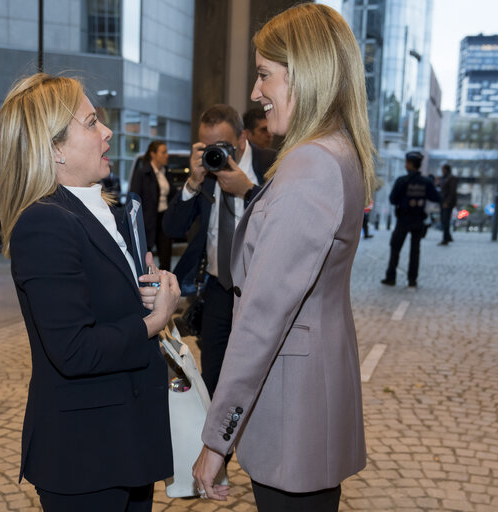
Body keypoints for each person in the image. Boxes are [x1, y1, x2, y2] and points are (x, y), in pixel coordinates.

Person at [191, 5, 376, 510]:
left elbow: (263, 317)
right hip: (310, 402)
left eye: (264, 74)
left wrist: (215, 439)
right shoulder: (336, 151)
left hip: (296, 414)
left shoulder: (312, 163)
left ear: (305, 75)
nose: (254, 92)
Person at [0, 73, 180, 511]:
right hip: (87, 456)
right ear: (55, 147)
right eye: (92, 121)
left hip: (126, 438)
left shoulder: (100, 210)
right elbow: (74, 349)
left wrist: (152, 290)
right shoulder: (45, 222)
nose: (108, 131)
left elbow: (107, 304)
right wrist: (155, 320)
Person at [162, 104, 276, 397]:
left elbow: (287, 224)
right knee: (212, 376)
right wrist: (193, 181)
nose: (214, 154)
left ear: (242, 139)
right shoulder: (205, 174)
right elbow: (172, 228)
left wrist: (249, 190)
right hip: (216, 288)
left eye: (222, 146)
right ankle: (214, 441)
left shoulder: (273, 164)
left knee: (260, 375)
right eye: (206, 147)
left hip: (261, 289)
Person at [381, 151, 440, 287]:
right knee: (415, 251)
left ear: (410, 164)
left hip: (403, 219)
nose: (405, 164)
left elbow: (392, 199)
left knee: (395, 248)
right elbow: (436, 198)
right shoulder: (426, 182)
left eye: (406, 162)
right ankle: (412, 279)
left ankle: (391, 277)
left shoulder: (402, 181)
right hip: (418, 220)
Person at [129, 140, 174, 270]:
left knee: (165, 258)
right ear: (153, 154)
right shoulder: (142, 173)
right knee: (145, 258)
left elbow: (172, 197)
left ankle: (166, 286)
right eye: (163, 152)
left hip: (164, 220)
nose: (167, 155)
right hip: (147, 221)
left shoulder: (167, 173)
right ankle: (144, 286)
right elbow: (134, 199)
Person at [439, 163, 458, 245]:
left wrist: (448, 202)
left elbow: (452, 192)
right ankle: (448, 236)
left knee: (445, 220)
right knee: (443, 220)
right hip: (443, 202)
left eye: (443, 169)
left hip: (447, 203)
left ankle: (445, 239)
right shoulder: (444, 178)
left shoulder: (451, 178)